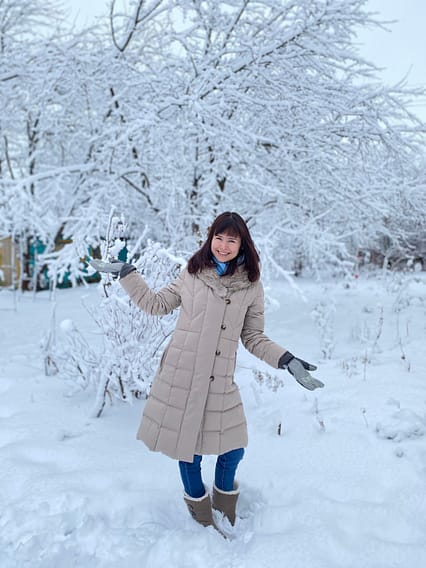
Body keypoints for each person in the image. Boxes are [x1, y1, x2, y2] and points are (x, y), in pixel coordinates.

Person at [91, 211, 324, 533]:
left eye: (231, 239)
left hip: (219, 380)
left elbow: (253, 336)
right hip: (181, 375)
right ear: (210, 238)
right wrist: (128, 274)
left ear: (243, 244)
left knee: (234, 446)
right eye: (218, 237)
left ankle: (224, 501)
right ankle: (198, 506)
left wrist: (286, 360)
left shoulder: (251, 286)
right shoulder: (192, 273)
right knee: (188, 449)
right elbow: (156, 305)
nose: (223, 245)